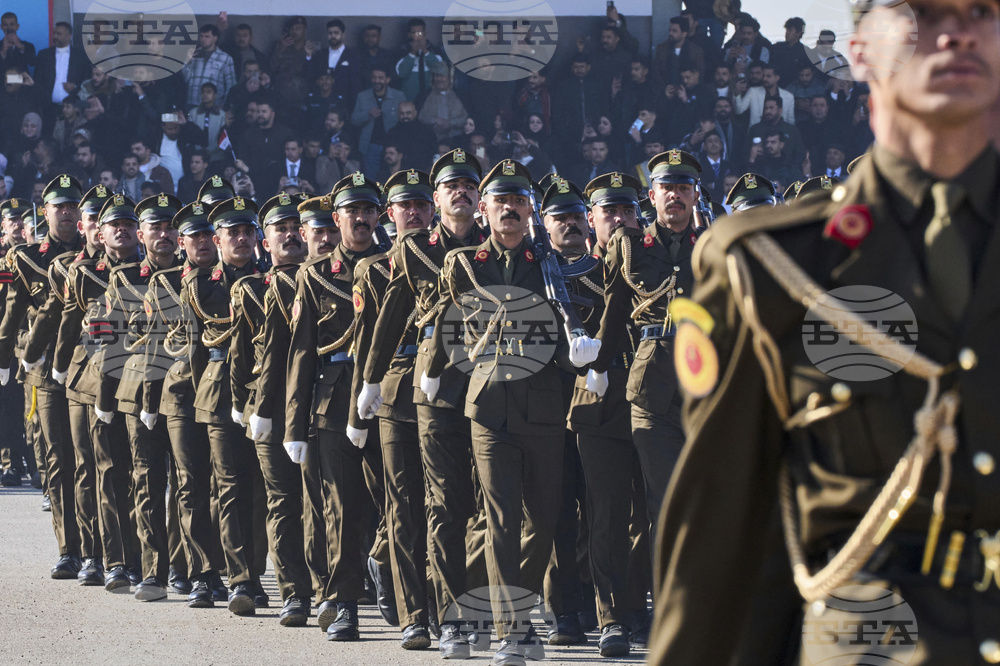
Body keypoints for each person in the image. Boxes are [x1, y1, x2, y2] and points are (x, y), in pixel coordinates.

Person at [650, 0, 1000, 662]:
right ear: (860, 50)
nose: (956, 31)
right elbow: (722, 538)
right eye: (922, 12)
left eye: (981, 11)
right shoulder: (772, 266)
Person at [424, 160, 602, 665]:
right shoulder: (463, 263)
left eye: (519, 201)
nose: (509, 209)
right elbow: (449, 321)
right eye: (500, 201)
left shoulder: (550, 266)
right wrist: (434, 370)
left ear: (531, 210)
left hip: (544, 406)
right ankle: (512, 628)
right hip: (489, 405)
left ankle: (506, 611)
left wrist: (582, 353)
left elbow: (568, 327)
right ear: (485, 209)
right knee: (501, 520)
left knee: (542, 522)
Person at [358, 149, 489, 658]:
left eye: (468, 184)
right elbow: (389, 317)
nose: (460, 192)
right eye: (450, 185)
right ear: (439, 200)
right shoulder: (412, 251)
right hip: (416, 387)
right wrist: (369, 382)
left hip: (478, 383)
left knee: (471, 502)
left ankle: (460, 605)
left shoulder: (494, 244)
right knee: (417, 505)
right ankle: (420, 616)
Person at [283, 176, 392, 642]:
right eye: (353, 212)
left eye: (369, 210)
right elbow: (302, 353)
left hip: (388, 394)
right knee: (342, 507)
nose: (362, 219)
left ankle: (386, 564)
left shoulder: (393, 266)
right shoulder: (314, 275)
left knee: (397, 497)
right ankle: (343, 600)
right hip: (331, 401)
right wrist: (294, 425)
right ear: (338, 219)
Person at [351, 168, 437, 650]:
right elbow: (369, 341)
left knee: (446, 501)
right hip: (396, 390)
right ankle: (413, 612)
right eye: (404, 206)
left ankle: (435, 596)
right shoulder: (375, 269)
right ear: (390, 214)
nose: (414, 212)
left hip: (449, 388)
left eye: (421, 204)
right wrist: (357, 407)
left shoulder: (454, 258)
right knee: (402, 502)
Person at [230, 191, 313, 626]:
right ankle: (295, 593)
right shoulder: (252, 289)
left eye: (295, 227)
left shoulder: (330, 278)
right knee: (283, 502)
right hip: (273, 409)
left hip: (322, 406)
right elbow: (241, 357)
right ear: (266, 242)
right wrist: (244, 407)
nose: (289, 234)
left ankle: (335, 582)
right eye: (279, 228)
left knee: (329, 502)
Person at [182, 195, 268, 615]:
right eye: (232, 232)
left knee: (262, 488)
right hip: (217, 394)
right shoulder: (200, 285)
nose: (240, 238)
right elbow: (197, 353)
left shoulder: (270, 278)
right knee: (230, 487)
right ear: (217, 239)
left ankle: (256, 568)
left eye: (247, 231)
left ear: (256, 236)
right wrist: (204, 399)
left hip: (264, 389)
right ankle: (241, 579)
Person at [0, 175, 85, 579]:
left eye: (72, 206)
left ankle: (101, 549)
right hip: (46, 369)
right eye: (59, 207)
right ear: (45, 211)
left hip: (92, 367)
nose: (66, 213)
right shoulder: (28, 257)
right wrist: (4, 358)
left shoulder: (96, 252)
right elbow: (13, 312)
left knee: (97, 459)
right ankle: (69, 548)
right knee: (58, 458)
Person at [181, 24, 236, 108]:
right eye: (201, 36)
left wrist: (224, 106)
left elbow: (231, 86)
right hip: (192, 103)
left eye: (207, 36)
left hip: (214, 106)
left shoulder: (225, 58)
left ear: (215, 38)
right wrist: (187, 62)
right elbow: (184, 80)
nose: (203, 39)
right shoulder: (193, 54)